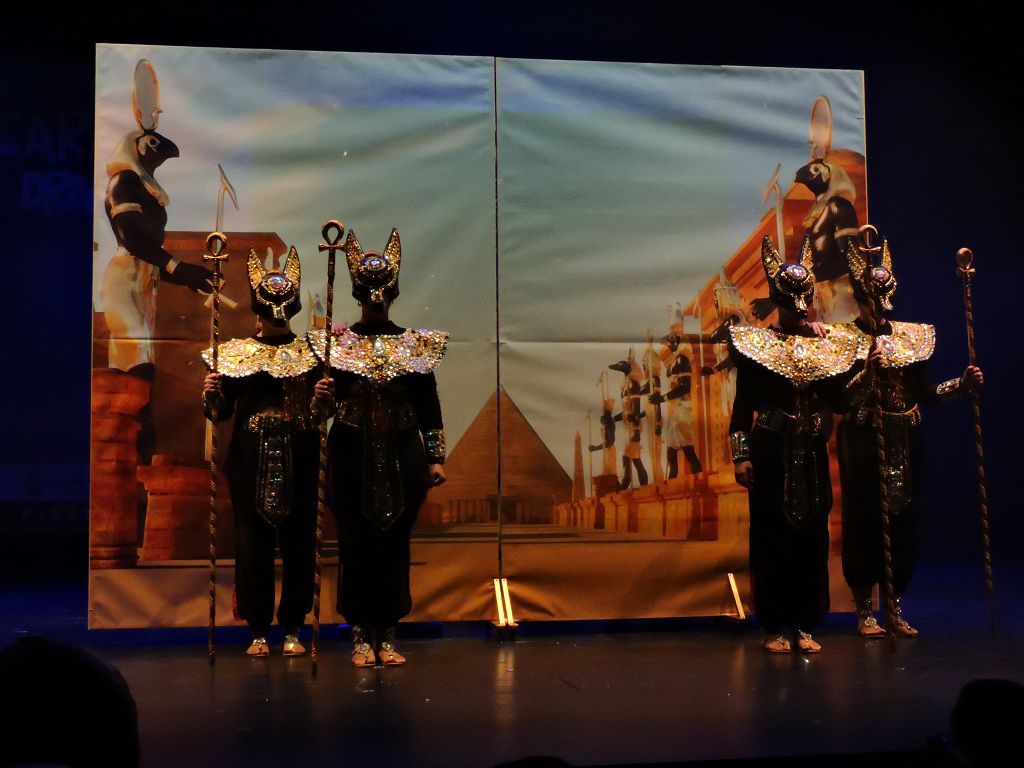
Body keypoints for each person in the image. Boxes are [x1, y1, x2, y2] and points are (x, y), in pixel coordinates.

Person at [309, 227, 447, 667]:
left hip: (403, 452)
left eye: (383, 290)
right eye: (369, 290)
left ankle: (387, 634)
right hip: (350, 451)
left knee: (394, 544)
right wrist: (322, 399)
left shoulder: (415, 346)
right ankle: (357, 633)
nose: (377, 297)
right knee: (354, 543)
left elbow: (429, 404)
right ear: (357, 291)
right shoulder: (336, 344)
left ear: (394, 291)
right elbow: (318, 414)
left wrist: (436, 455)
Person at [837, 226, 983, 637]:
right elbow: (840, 400)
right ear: (862, 296)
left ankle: (895, 606)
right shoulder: (843, 338)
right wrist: (866, 374)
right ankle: (865, 609)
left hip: (906, 437)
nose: (881, 306)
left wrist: (961, 385)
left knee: (903, 519)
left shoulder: (910, 337)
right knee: (864, 519)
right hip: (864, 438)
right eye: (874, 298)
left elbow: (928, 393)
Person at [728, 236, 863, 653]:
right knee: (771, 535)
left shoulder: (823, 345)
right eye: (792, 301)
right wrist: (741, 454)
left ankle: (805, 623)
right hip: (770, 449)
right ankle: (773, 625)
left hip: (810, 451)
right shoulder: (757, 346)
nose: (800, 307)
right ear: (779, 300)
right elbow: (742, 408)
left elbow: (840, 400)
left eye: (804, 300)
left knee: (811, 536)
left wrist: (865, 374)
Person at [202, 246, 319, 657]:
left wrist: (324, 396)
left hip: (301, 461)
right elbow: (221, 412)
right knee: (252, 546)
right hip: (250, 462)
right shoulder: (235, 354)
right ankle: (257, 629)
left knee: (299, 545)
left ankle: (292, 627)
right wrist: (213, 395)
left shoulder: (314, 354)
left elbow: (324, 412)